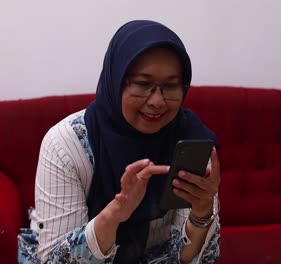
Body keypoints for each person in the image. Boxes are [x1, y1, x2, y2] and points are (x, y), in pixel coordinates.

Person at [18, 20, 221, 263]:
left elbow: (189, 259)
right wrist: (116, 213)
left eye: (171, 86)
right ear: (115, 81)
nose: (157, 101)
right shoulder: (67, 145)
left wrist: (202, 212)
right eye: (142, 84)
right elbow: (54, 261)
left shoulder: (190, 139)